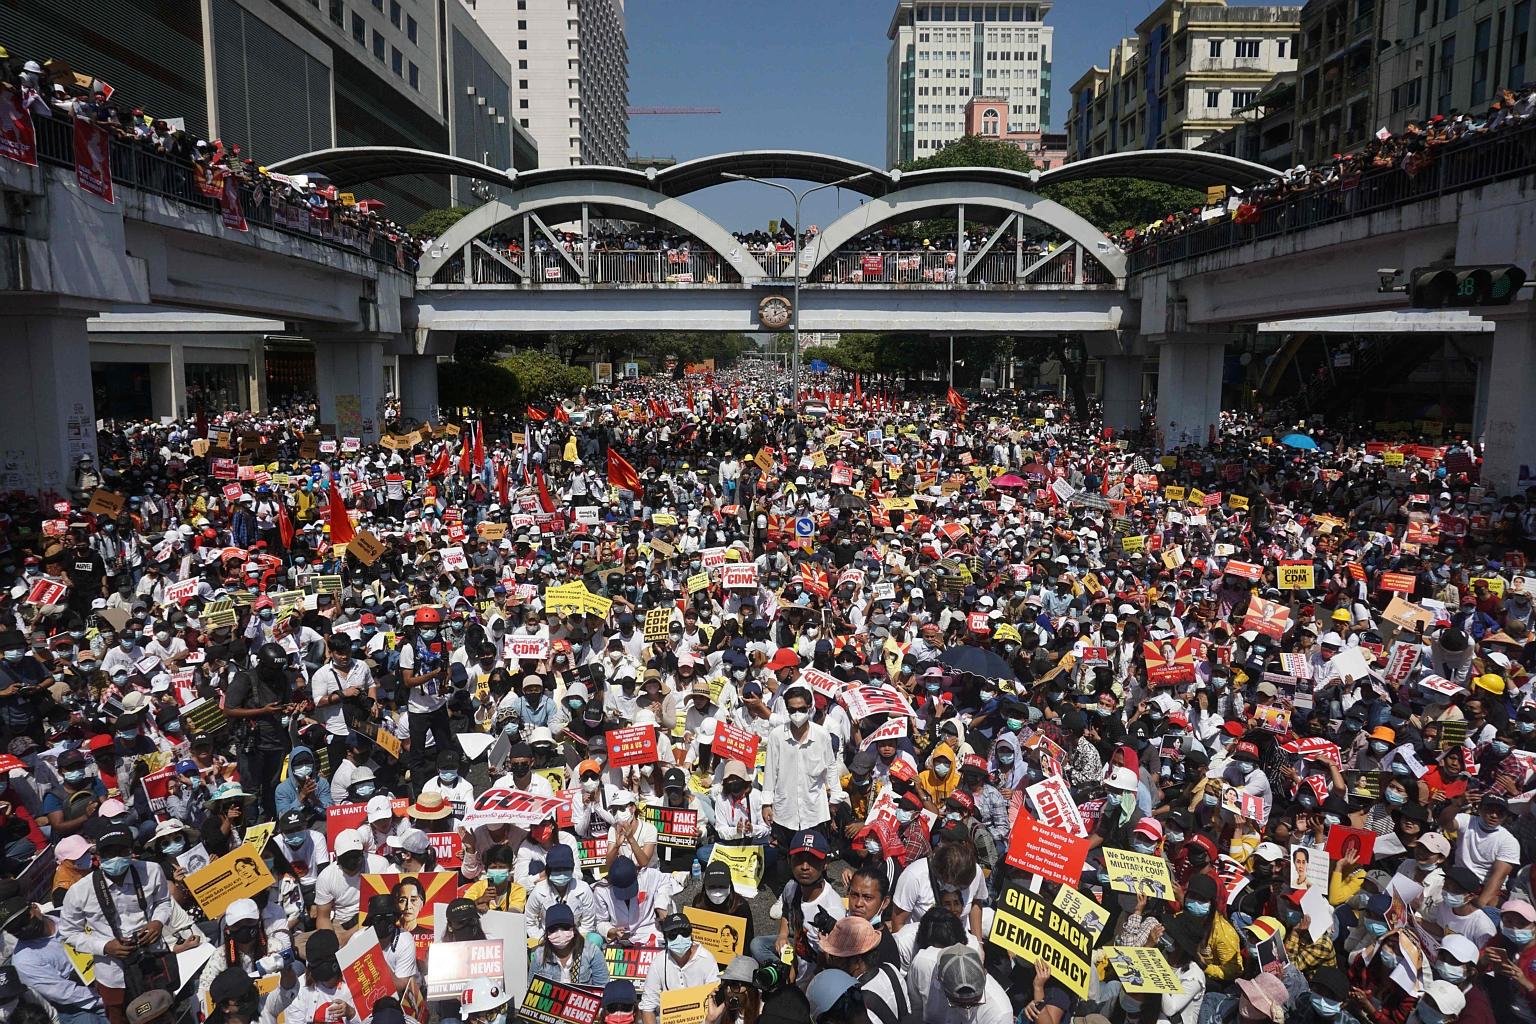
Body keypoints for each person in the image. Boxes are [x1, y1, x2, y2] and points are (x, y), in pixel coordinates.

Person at [58, 827, 174, 1024]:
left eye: (122, 851)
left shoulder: (151, 870)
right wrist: (105, 947)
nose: (116, 858)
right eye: (109, 853)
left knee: (165, 1011)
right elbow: (69, 933)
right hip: (112, 973)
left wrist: (157, 922)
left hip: (152, 960)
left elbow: (164, 902)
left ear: (131, 851)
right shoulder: (79, 891)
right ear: (99, 857)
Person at [639, 913, 719, 1024]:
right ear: (665, 938)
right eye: (673, 934)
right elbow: (648, 1007)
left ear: (691, 934)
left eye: (684, 933)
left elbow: (715, 1001)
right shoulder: (658, 962)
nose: (679, 938)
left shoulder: (707, 959)